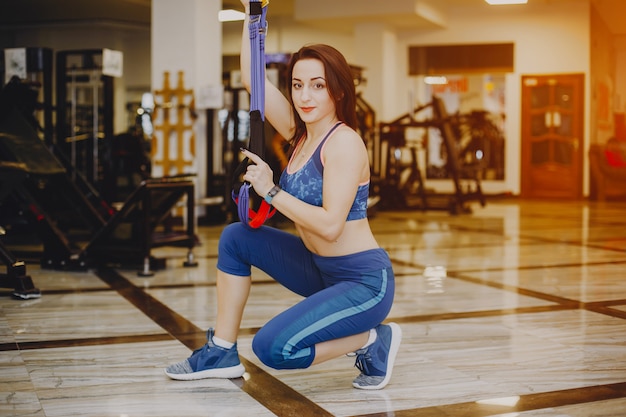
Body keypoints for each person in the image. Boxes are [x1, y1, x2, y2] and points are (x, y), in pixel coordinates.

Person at [165, 1, 401, 390]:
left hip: (362, 282)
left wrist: (271, 191)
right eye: (297, 84)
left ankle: (375, 339)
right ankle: (222, 349)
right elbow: (250, 78)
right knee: (236, 238)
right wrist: (251, 12)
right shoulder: (300, 132)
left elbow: (329, 226)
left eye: (318, 85)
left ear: (339, 91)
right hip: (318, 270)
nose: (305, 95)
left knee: (274, 348)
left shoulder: (344, 144)